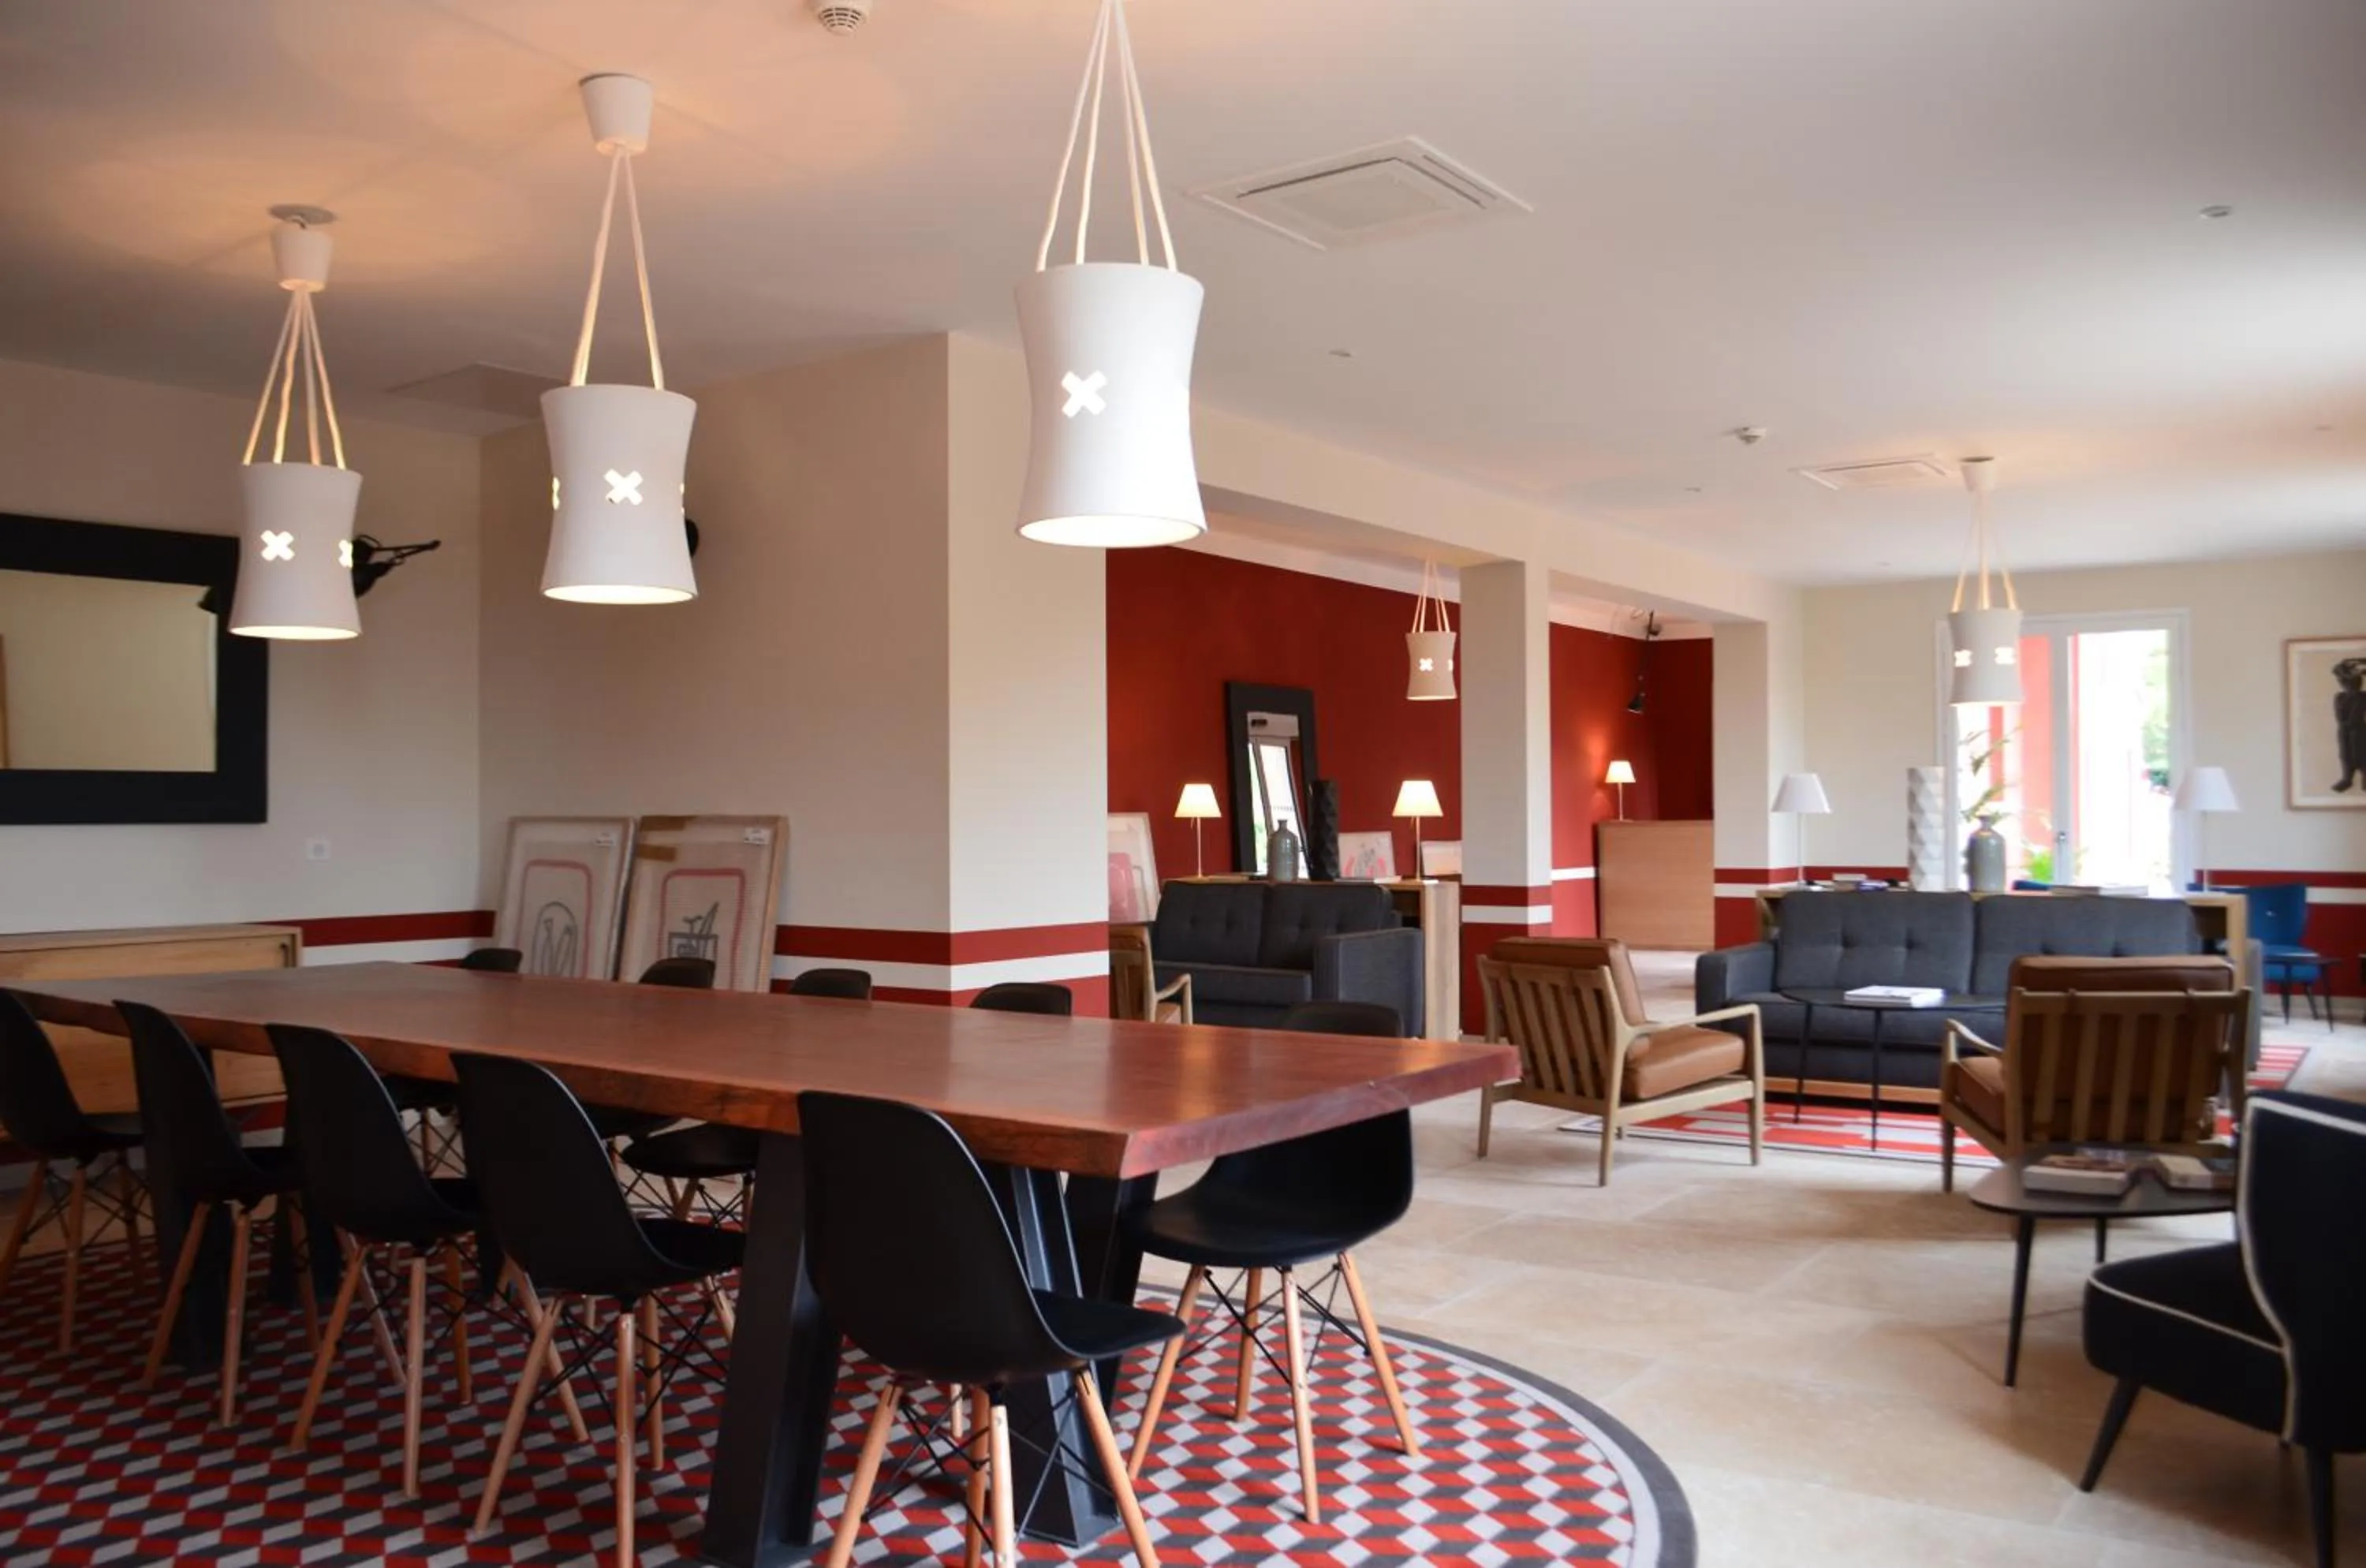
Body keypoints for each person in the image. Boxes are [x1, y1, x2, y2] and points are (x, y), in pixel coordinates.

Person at [2333, 657, 2366, 793]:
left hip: (2359, 729)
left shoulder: (2362, 697)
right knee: (2345, 754)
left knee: (2362, 753)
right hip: (2345, 730)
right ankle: (2347, 778)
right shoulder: (2340, 697)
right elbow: (2340, 716)